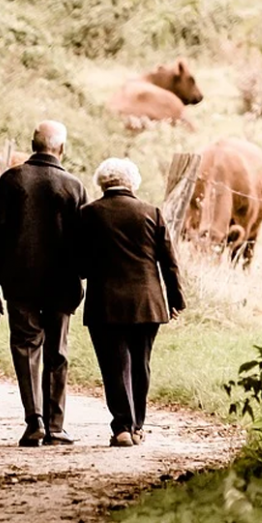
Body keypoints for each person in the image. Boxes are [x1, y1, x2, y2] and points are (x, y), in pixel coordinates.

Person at [0, 121, 87, 447]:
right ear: (62, 149)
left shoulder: (12, 180)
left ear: (32, 144)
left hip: (19, 282)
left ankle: (34, 421)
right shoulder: (73, 186)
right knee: (57, 352)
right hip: (62, 284)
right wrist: (82, 277)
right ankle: (56, 426)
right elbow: (84, 242)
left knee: (26, 348)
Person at [78, 158, 185, 447]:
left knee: (114, 366)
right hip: (147, 302)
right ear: (132, 182)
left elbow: (80, 264)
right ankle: (137, 426)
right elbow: (169, 262)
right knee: (141, 363)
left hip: (105, 303)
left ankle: (122, 427)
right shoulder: (151, 212)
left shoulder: (88, 214)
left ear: (101, 182)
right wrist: (175, 299)